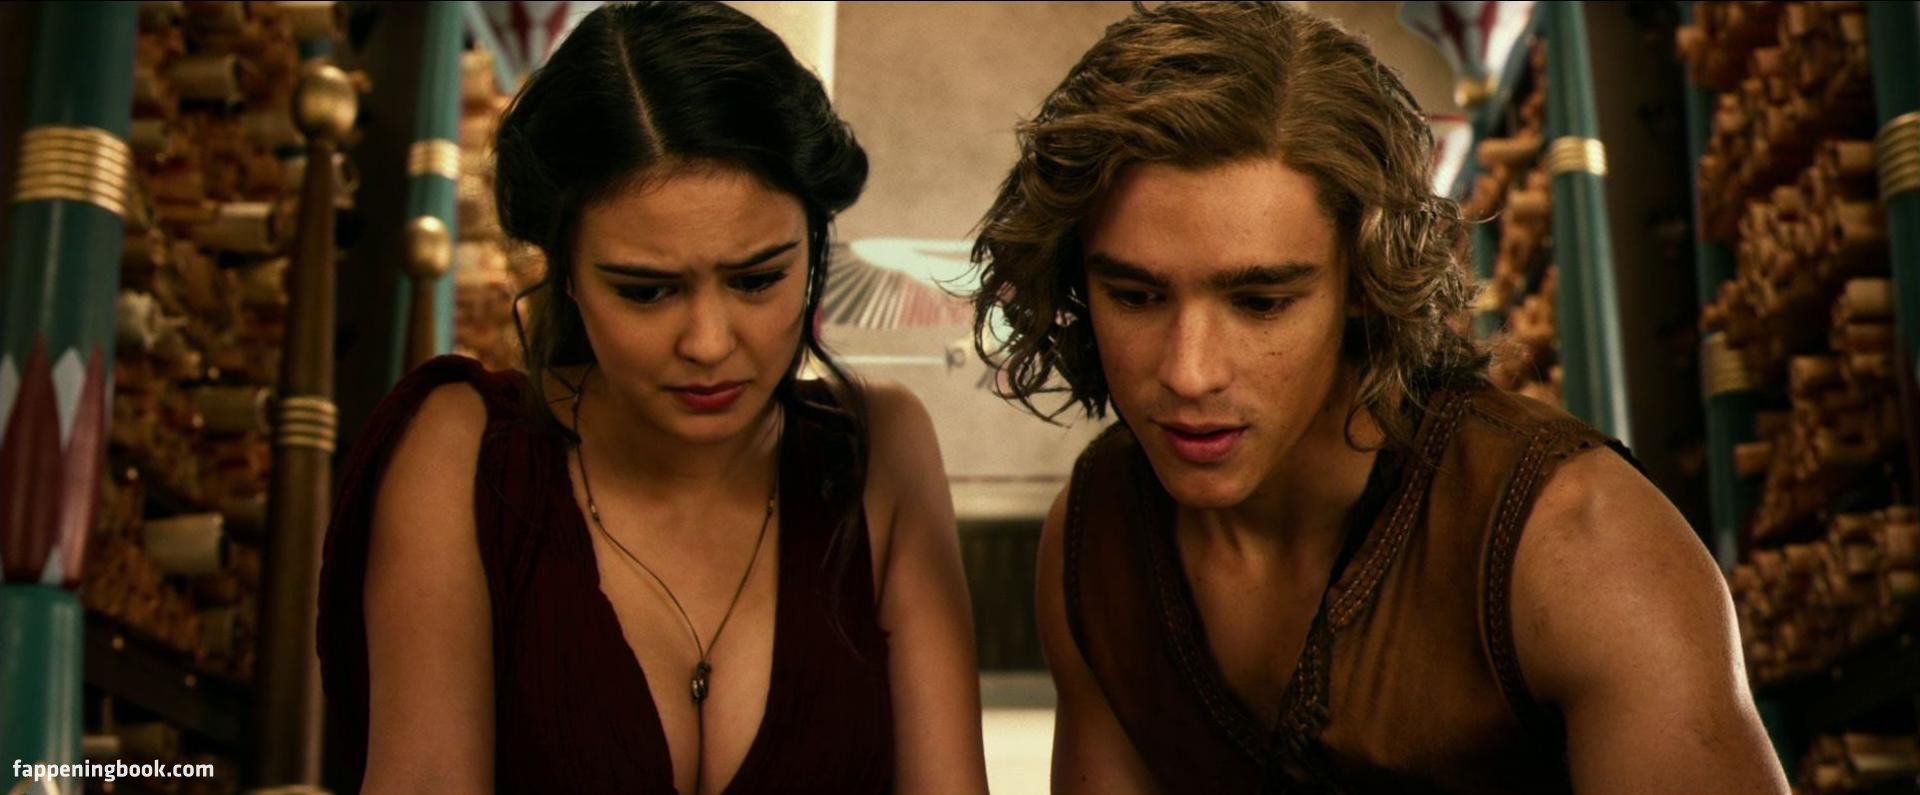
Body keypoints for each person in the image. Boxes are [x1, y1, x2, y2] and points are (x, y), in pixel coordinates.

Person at [970, 3, 1787, 793]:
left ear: (1363, 282)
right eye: (1136, 296)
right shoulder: (1099, 535)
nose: (1189, 372)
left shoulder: (1581, 544)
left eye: (1261, 302)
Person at [317, 3, 988, 793]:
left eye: (757, 279)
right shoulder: (462, 454)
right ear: (566, 272)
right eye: (646, 291)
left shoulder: (879, 450)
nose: (707, 342)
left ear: (814, 249)